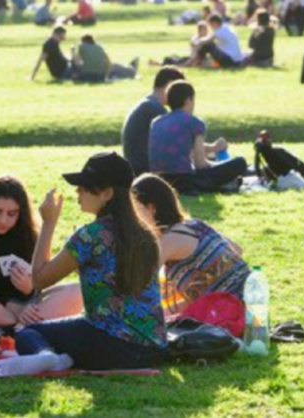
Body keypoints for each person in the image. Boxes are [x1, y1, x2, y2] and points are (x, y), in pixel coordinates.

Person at [14, 152, 167, 370]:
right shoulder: (147, 234)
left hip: (113, 348)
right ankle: (57, 357)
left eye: (85, 186)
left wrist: (48, 223)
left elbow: (38, 279)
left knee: (29, 333)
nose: (78, 191)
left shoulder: (90, 236)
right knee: (79, 326)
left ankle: (48, 357)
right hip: (154, 349)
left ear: (106, 193)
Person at [0, 176, 83, 327]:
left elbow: (40, 282)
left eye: (12, 214)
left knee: (77, 291)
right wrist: (14, 307)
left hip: (24, 304)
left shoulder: (28, 234)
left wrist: (30, 288)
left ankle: (15, 328)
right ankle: (19, 326)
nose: (3, 220)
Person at [131, 174, 250, 313]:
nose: (133, 217)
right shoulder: (195, 224)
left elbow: (139, 283)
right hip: (251, 306)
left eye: (135, 210)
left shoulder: (167, 241)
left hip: (228, 315)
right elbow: (237, 249)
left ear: (151, 208)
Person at [148, 81, 247, 194]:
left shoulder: (156, 122)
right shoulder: (195, 123)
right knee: (240, 162)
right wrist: (219, 164)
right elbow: (200, 164)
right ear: (188, 100)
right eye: (193, 100)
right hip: (186, 181)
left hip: (159, 180)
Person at [121, 67, 187, 176]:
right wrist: (212, 148)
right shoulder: (154, 109)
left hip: (138, 168)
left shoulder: (148, 104)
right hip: (147, 171)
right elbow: (179, 144)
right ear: (170, 85)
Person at [73, 34, 139, 82]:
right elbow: (108, 62)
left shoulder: (82, 46)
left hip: (88, 75)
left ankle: (131, 69)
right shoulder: (99, 47)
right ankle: (132, 69)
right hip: (101, 75)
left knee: (116, 70)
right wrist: (106, 73)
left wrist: (72, 52)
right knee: (115, 67)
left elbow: (77, 62)